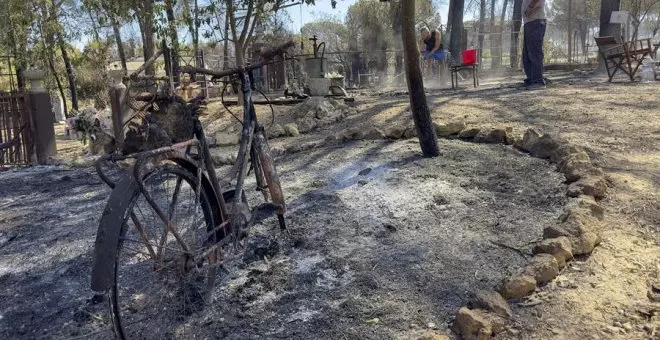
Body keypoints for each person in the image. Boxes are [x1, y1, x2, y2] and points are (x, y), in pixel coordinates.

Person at [521, 0, 547, 90]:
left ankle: (538, 81)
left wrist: (530, 7)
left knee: (535, 52)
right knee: (527, 53)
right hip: (529, 22)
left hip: (536, 20)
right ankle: (532, 79)